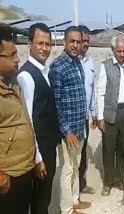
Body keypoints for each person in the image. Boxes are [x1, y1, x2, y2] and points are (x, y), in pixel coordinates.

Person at [17, 23, 60, 214]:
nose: (44, 48)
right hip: (38, 149)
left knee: (45, 196)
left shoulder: (45, 71)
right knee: (39, 200)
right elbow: (28, 120)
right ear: (29, 44)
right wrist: (38, 158)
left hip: (48, 145)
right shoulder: (26, 76)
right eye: (40, 43)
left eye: (47, 44)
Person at [49, 26, 91, 214]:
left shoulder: (77, 63)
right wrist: (67, 131)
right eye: (72, 41)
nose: (76, 45)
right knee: (67, 170)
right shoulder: (58, 67)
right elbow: (55, 103)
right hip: (69, 132)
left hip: (80, 127)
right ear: (65, 42)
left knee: (75, 166)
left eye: (79, 41)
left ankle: (74, 200)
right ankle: (66, 209)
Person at [96, 36, 124, 197]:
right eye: (118, 51)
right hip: (110, 113)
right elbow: (100, 93)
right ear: (113, 51)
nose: (121, 54)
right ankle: (108, 182)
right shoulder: (105, 66)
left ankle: (120, 178)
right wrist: (100, 117)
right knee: (109, 148)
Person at [0, 26, 35, 214]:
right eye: (12, 55)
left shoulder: (13, 82)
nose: (18, 59)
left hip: (23, 169)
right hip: (8, 177)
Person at [78, 25, 97, 195]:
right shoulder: (70, 62)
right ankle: (71, 194)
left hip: (84, 117)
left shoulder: (90, 63)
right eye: (82, 40)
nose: (85, 44)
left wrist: (94, 114)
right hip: (71, 118)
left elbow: (93, 91)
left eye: (87, 41)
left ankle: (81, 185)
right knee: (71, 157)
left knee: (83, 152)